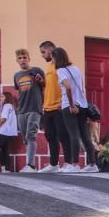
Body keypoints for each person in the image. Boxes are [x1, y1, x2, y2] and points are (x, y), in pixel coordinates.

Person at [53, 47, 98, 173]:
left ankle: (75, 164)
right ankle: (92, 164)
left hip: (70, 106)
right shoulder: (76, 69)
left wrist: (71, 105)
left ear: (56, 58)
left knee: (73, 135)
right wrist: (78, 103)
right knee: (85, 136)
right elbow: (81, 88)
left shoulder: (60, 70)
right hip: (82, 106)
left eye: (53, 58)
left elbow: (67, 87)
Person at [39, 41, 72, 173]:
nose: (42, 55)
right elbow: (51, 86)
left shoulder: (61, 66)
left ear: (51, 50)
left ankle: (69, 163)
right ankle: (54, 164)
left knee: (63, 136)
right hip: (47, 107)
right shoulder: (49, 66)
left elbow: (67, 85)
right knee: (50, 136)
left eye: (43, 52)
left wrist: (62, 102)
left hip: (59, 107)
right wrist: (42, 82)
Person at [13, 49, 45, 173]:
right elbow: (19, 90)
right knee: (25, 138)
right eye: (20, 58)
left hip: (35, 108)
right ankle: (30, 164)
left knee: (31, 135)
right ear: (17, 60)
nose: (22, 60)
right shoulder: (16, 75)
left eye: (24, 57)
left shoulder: (37, 70)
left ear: (29, 58)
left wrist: (40, 81)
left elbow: (45, 85)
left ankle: (31, 165)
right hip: (21, 109)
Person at [0, 90, 18, 172]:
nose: (0, 98)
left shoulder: (7, 105)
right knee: (5, 150)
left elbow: (4, 119)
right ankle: (6, 168)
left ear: (7, 98)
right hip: (10, 132)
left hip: (4, 131)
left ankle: (3, 164)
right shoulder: (11, 106)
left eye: (2, 96)